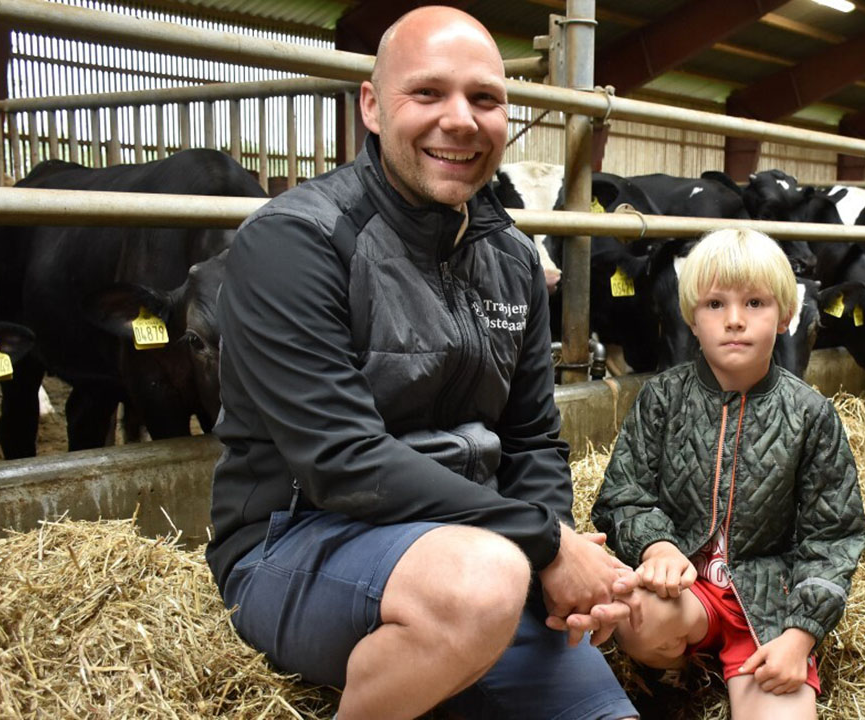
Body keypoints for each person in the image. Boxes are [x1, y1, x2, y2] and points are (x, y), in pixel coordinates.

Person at [205, 7, 640, 720]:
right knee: (480, 586)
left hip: (476, 550)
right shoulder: (295, 242)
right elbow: (341, 460)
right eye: (428, 93)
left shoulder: (512, 262)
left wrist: (548, 558)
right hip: (303, 539)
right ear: (373, 106)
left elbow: (533, 440)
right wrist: (541, 540)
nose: (461, 120)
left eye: (485, 98)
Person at [591, 228, 865, 718]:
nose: (735, 320)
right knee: (637, 616)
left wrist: (800, 637)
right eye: (715, 304)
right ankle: (684, 663)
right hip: (683, 589)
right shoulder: (662, 397)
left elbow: (834, 536)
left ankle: (749, 660)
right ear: (691, 319)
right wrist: (657, 545)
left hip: (770, 603)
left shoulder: (810, 415)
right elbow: (621, 494)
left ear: (785, 316)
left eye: (755, 303)